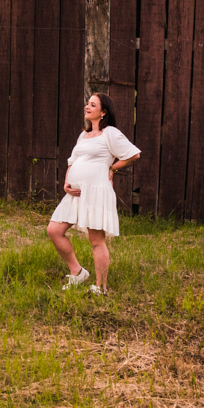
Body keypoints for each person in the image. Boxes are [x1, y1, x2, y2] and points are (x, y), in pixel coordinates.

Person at [47, 92, 140, 294]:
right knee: (54, 230)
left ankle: (100, 287)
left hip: (96, 191)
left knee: (96, 241)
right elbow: (72, 161)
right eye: (87, 104)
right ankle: (78, 272)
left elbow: (134, 154)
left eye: (92, 105)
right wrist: (66, 183)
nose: (87, 107)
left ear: (103, 112)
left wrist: (112, 168)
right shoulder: (83, 135)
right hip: (75, 193)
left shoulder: (109, 133)